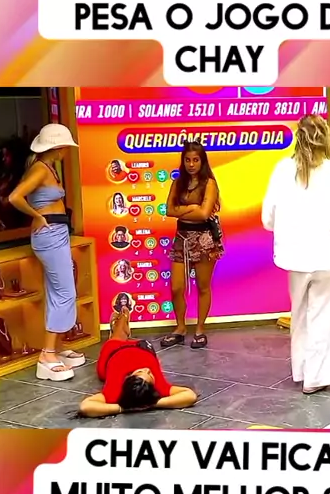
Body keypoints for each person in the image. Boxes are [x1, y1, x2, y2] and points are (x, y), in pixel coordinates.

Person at [262, 115, 330, 395]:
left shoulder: (282, 170)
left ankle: (301, 370)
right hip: (326, 257)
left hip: (294, 259)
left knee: (299, 314)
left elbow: (268, 219)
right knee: (324, 315)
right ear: (326, 138)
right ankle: (316, 377)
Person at [8, 123, 84, 381]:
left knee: (57, 291)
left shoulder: (48, 167)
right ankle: (47, 354)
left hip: (56, 233)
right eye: (64, 147)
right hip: (49, 234)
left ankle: (57, 347)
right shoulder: (40, 169)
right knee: (65, 293)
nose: (66, 151)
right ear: (57, 147)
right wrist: (37, 216)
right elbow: (15, 197)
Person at [161, 141, 224, 350]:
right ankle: (180, 328)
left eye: (195, 160)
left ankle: (199, 330)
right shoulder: (177, 183)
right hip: (181, 237)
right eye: (187, 160)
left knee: (203, 287)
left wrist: (184, 209)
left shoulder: (209, 184)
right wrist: (193, 207)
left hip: (204, 239)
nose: (191, 164)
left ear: (202, 161)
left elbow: (204, 214)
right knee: (176, 287)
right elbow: (169, 210)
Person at [78, 308, 197, 416]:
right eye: (150, 374)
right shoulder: (159, 386)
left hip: (114, 351)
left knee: (116, 337)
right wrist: (152, 404)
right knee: (129, 338)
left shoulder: (115, 391)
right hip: (143, 348)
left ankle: (120, 323)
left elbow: (85, 407)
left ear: (128, 378)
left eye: (140, 372)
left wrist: (123, 408)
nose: (147, 369)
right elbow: (190, 395)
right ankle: (124, 327)